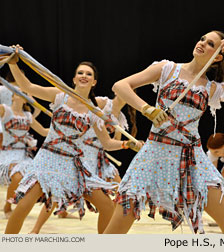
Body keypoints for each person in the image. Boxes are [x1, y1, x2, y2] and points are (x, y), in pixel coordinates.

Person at [103, 30, 224, 234]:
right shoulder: (167, 69)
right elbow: (120, 86)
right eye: (202, 39)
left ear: (218, 57)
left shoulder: (211, 89)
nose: (202, 43)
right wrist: (147, 109)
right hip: (155, 154)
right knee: (115, 231)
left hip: (192, 159)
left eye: (210, 44)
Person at [4, 52, 142, 234]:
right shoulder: (59, 96)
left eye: (89, 74)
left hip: (74, 165)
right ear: (74, 79)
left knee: (107, 206)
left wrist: (127, 144)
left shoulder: (95, 110)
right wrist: (13, 63)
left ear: (94, 82)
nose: (84, 76)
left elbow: (107, 143)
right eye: (80, 73)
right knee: (24, 204)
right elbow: (27, 86)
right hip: (48, 159)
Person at [29, 95, 130, 234]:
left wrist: (119, 135)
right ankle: (35, 230)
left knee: (122, 191)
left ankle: (109, 230)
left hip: (98, 156)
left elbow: (112, 141)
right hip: (82, 153)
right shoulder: (102, 103)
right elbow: (83, 116)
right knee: (57, 192)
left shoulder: (120, 117)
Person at [0, 89, 48, 218]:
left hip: (23, 155)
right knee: (17, 177)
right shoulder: (5, 109)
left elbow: (43, 131)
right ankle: (7, 207)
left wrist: (61, 129)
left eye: (24, 93)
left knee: (41, 177)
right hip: (6, 153)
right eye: (17, 92)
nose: (20, 94)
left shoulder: (27, 115)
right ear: (13, 96)